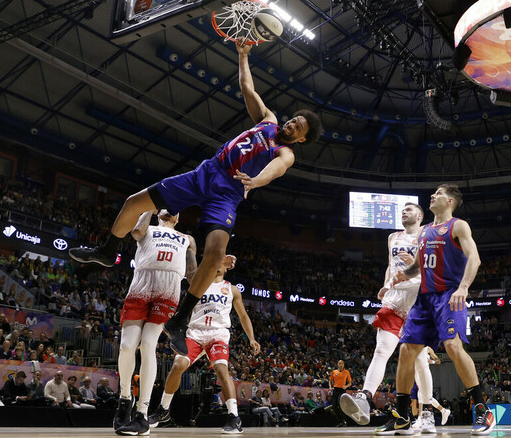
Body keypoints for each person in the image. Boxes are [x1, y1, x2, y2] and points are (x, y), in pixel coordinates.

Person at [68, 42, 322, 360]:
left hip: (229, 193)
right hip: (207, 172)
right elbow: (247, 87)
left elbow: (275, 170)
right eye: (295, 118)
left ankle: (181, 318)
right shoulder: (268, 120)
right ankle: (107, 251)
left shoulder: (286, 152)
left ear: (301, 138)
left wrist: (255, 181)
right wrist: (243, 55)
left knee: (215, 253)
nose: (293, 123)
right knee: (134, 202)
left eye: (299, 126)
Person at [381, 184, 495, 436]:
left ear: (451, 200)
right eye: (433, 192)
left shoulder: (458, 226)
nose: (433, 195)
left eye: (439, 193)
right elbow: (420, 265)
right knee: (406, 350)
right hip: (425, 298)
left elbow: (474, 258)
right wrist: (403, 275)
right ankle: (402, 418)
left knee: (453, 347)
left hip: (449, 295)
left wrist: (464, 287)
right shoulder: (424, 232)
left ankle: (482, 409)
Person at [148, 255, 260, 433]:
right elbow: (194, 264)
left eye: (220, 263)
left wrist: (252, 338)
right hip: (196, 332)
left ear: (226, 268)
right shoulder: (198, 283)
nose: (216, 264)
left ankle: (234, 417)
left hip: (218, 333)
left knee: (222, 370)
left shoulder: (232, 289)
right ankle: (164, 410)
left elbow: (243, 316)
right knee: (177, 365)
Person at [110, 210, 197, 435]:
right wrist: (148, 207)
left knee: (148, 344)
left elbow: (193, 272)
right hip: (141, 284)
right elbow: (136, 232)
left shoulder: (187, 239)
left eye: (176, 209)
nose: (172, 209)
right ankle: (125, 399)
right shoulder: (147, 227)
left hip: (168, 290)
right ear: (158, 212)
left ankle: (142, 414)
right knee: (127, 346)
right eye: (165, 206)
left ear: (179, 218)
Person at [340, 203, 424, 426]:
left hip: (419, 299)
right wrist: (386, 285)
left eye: (409, 209)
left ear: (420, 215)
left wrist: (415, 266)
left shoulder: (428, 234)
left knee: (420, 363)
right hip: (395, 299)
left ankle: (426, 416)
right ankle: (365, 398)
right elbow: (390, 265)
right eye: (403, 210)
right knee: (381, 350)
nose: (404, 212)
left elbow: (433, 266)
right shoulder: (392, 238)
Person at [329, 360, 352, 426]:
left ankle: (344, 421)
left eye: (342, 363)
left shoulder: (347, 372)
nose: (340, 365)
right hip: (336, 389)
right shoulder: (334, 372)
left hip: (342, 390)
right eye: (339, 363)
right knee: (334, 406)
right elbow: (330, 380)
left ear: (344, 365)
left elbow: (350, 382)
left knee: (341, 406)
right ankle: (340, 421)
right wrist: (330, 386)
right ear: (337, 364)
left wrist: (346, 386)